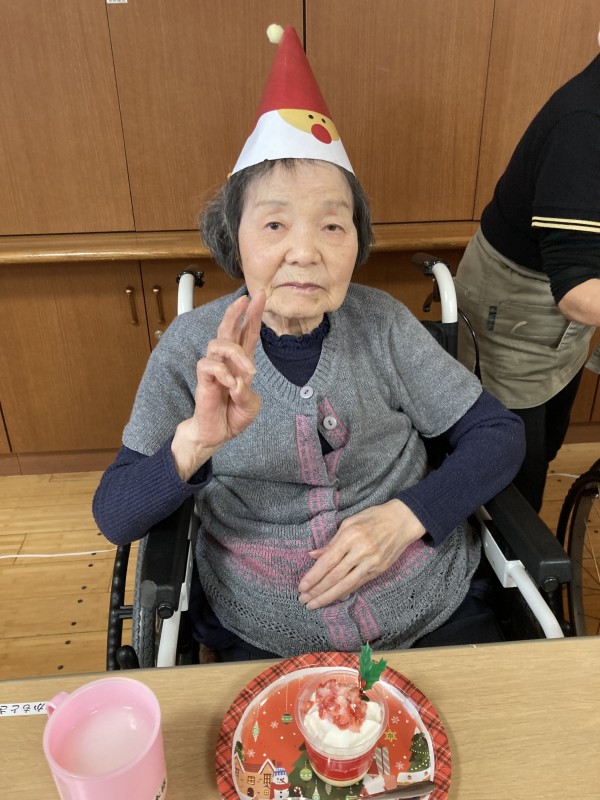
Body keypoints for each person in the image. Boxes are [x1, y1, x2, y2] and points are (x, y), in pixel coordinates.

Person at [93, 25, 525, 660]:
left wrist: (407, 516)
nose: (305, 252)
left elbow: (498, 434)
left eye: (332, 225)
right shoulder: (190, 348)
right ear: (234, 239)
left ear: (356, 241)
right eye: (274, 223)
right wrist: (197, 442)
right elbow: (115, 515)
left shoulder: (383, 323)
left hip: (424, 599)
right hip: (266, 627)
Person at [454, 33, 600, 512]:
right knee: (515, 472)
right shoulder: (584, 123)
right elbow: (576, 291)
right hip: (519, 304)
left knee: (548, 437)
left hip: (569, 304)